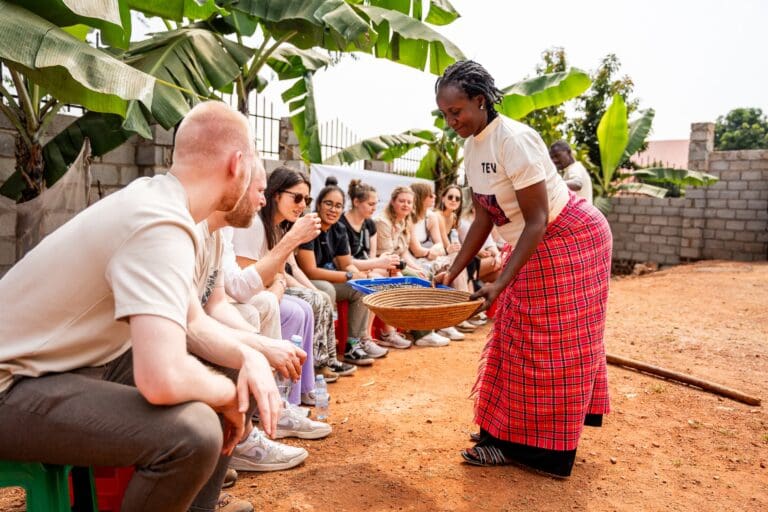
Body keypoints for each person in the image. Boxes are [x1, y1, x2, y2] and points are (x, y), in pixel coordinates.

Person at [0, 101, 278, 512]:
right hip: (10, 386)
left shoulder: (160, 205)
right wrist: (225, 396)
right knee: (194, 432)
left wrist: (248, 357)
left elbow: (194, 323)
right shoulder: (157, 223)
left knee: (234, 374)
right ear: (237, 163)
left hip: (53, 369)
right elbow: (161, 378)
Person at [435, 61, 612, 478]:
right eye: (445, 114)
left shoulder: (514, 140)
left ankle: (544, 450)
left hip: (570, 238)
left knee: (552, 343)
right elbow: (482, 217)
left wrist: (499, 285)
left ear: (481, 101)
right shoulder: (472, 146)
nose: (451, 121)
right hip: (536, 240)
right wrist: (453, 268)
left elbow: (536, 221)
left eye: (456, 111)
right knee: (514, 333)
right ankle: (500, 436)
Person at [197, 156, 331, 476]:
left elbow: (222, 300)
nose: (261, 199)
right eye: (259, 190)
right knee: (268, 309)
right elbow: (193, 318)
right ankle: (243, 435)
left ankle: (273, 407)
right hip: (118, 358)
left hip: (201, 317)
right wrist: (254, 349)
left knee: (269, 308)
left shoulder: (220, 234)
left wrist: (259, 347)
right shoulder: (191, 225)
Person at [231, 166, 358, 383]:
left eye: (305, 200)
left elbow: (292, 268)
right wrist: (288, 283)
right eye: (297, 198)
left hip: (273, 286)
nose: (301, 205)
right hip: (258, 290)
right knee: (313, 300)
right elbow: (258, 273)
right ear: (276, 194)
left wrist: (312, 289)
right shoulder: (257, 225)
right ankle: (318, 365)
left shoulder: (283, 226)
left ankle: (324, 361)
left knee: (320, 296)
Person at [296, 177, 389, 364]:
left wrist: (360, 276)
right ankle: (325, 352)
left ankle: (353, 345)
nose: (333, 209)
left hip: (329, 279)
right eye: (328, 204)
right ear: (318, 205)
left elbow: (346, 263)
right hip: (305, 281)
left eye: (338, 206)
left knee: (361, 287)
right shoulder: (310, 225)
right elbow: (310, 271)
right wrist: (347, 275)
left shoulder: (338, 228)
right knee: (327, 289)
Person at [339, 179, 411, 349]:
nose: (374, 208)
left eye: (375, 204)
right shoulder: (342, 224)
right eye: (370, 204)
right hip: (348, 270)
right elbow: (346, 261)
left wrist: (381, 264)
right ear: (356, 202)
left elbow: (370, 257)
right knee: (375, 281)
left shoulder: (370, 224)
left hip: (365, 267)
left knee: (396, 276)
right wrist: (378, 264)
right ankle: (365, 337)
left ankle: (388, 332)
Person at [549, 140, 593, 204]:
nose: (554, 160)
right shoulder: (571, 168)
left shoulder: (575, 168)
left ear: (569, 152)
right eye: (552, 158)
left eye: (557, 155)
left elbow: (577, 183)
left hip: (580, 212)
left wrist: (554, 185)